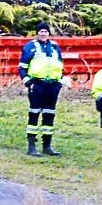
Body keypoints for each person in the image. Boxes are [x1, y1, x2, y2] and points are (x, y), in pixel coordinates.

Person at [19, 23, 66, 156]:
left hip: (53, 86)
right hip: (37, 85)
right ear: (37, 33)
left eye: (45, 31)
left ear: (48, 33)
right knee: (34, 113)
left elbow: (60, 65)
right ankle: (31, 146)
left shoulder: (55, 47)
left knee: (49, 114)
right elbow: (22, 67)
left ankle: (47, 145)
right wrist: (29, 83)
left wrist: (60, 82)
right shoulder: (30, 47)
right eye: (41, 31)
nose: (43, 33)